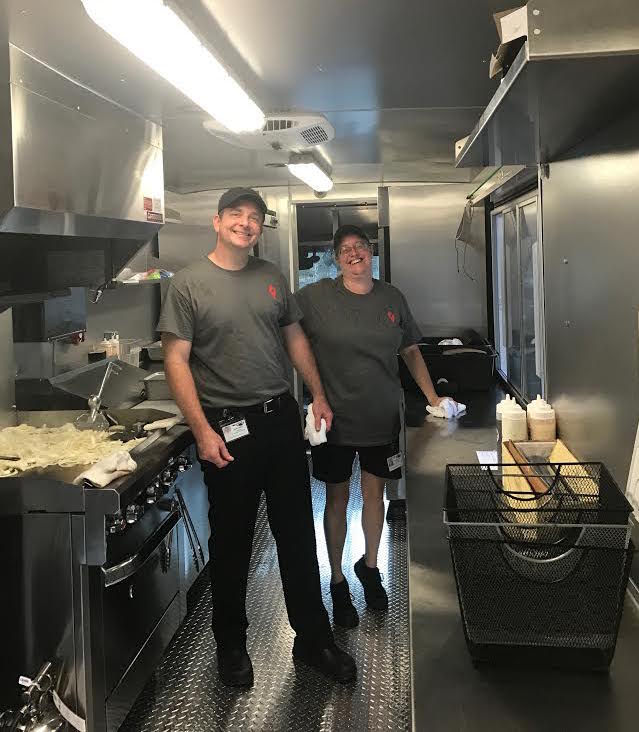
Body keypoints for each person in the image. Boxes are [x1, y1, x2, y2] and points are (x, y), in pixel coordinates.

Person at [157, 188, 356, 686]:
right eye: (236, 215)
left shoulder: (271, 276)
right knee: (232, 542)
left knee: (296, 534)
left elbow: (294, 338)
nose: (246, 223)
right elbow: (175, 359)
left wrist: (318, 394)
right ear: (217, 221)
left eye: (254, 218)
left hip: (280, 419)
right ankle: (230, 646)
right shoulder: (188, 283)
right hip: (227, 428)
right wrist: (202, 431)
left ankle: (313, 640)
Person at [296, 224, 446, 628]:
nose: (354, 253)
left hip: (381, 417)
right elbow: (285, 330)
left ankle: (370, 566)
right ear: (335, 258)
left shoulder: (391, 297)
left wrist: (434, 399)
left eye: (360, 246)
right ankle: (338, 580)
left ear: (371, 251)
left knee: (375, 496)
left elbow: (410, 350)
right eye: (345, 249)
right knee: (337, 499)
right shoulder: (315, 297)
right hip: (334, 419)